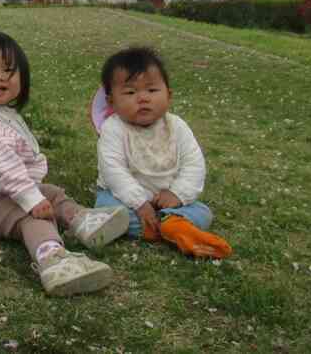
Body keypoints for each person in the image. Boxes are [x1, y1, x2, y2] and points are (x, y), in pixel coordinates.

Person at [0, 32, 130, 297]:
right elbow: (1, 165)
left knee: (53, 193)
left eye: (9, 70)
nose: (0, 76)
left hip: (8, 189)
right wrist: (30, 198)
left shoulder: (3, 114)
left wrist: (36, 192)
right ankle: (52, 259)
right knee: (32, 216)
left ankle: (81, 219)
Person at [94, 46, 232, 259]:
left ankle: (171, 223)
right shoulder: (113, 129)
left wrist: (177, 194)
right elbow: (113, 171)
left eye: (152, 90)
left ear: (169, 95)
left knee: (203, 211)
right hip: (123, 197)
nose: (142, 98)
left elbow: (194, 165)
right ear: (112, 102)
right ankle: (170, 229)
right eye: (130, 92)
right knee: (106, 209)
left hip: (168, 199)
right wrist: (139, 203)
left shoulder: (177, 126)